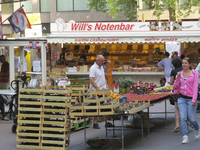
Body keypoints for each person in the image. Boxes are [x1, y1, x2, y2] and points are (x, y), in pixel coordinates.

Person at [174, 57, 200, 144]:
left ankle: (197, 128)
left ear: (189, 64)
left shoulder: (194, 73)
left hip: (191, 98)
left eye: (185, 63)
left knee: (192, 118)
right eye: (183, 63)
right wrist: (177, 78)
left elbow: (196, 87)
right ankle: (185, 136)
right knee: (183, 117)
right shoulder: (180, 74)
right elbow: (176, 87)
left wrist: (194, 99)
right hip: (182, 98)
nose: (183, 65)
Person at [89, 55, 114, 129]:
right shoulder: (93, 68)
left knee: (105, 105)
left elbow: (103, 77)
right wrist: (97, 88)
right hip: (96, 91)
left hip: (103, 90)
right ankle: (95, 123)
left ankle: (106, 122)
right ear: (98, 61)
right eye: (102, 61)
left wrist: (107, 86)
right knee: (96, 106)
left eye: (104, 61)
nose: (103, 62)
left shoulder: (101, 67)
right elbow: (91, 80)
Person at [168, 57, 183, 132]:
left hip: (176, 92)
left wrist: (168, 82)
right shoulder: (184, 70)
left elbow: (171, 82)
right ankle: (189, 122)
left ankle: (177, 124)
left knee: (177, 108)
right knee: (185, 107)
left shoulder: (173, 71)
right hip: (185, 91)